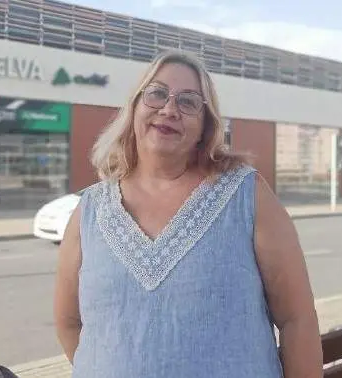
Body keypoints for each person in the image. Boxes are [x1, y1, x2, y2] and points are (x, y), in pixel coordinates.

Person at [54, 50, 323, 378]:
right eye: (156, 94)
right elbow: (70, 323)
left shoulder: (247, 195)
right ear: (134, 107)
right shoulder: (90, 211)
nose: (169, 110)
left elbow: (298, 320)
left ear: (205, 126)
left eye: (188, 102)